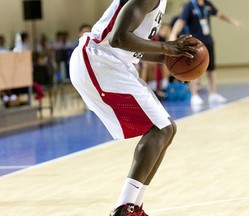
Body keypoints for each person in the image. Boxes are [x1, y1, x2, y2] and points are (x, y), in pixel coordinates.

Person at [69, 0, 199, 215]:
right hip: (98, 60)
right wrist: (166, 47)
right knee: (161, 128)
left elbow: (131, 46)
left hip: (114, 62)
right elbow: (118, 38)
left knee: (168, 128)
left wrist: (170, 58)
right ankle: (124, 209)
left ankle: (133, 207)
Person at [169, 0, 242, 106]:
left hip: (208, 41)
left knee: (212, 69)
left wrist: (233, 21)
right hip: (195, 43)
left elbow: (220, 14)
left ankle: (213, 94)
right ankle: (194, 95)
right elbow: (181, 21)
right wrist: (173, 34)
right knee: (193, 70)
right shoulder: (189, 6)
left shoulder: (208, 4)